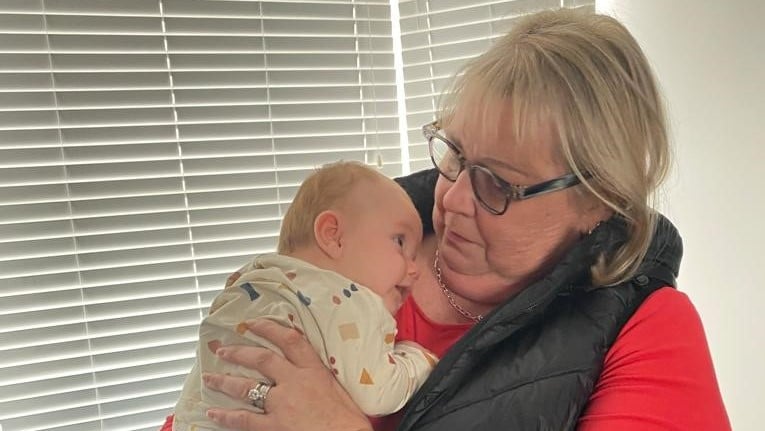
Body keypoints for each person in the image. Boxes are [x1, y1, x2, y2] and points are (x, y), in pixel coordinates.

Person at [171, 8, 732, 431]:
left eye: (498, 183)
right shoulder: (353, 242)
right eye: (456, 155)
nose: (455, 199)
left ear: (597, 203)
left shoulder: (646, 332)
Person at [170, 161, 438, 431]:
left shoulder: (254, 278)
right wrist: (418, 359)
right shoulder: (348, 301)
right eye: (400, 242)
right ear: (333, 236)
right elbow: (379, 392)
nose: (413, 269)